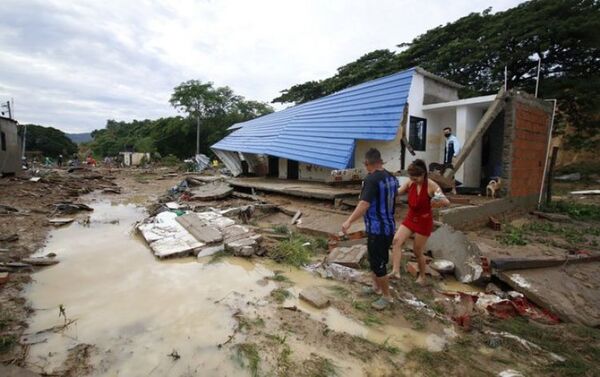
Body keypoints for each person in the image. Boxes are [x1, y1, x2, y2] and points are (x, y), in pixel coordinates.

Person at [342, 148, 399, 310]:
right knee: (377, 259)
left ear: (367, 163)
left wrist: (349, 221)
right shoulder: (391, 177)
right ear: (380, 161)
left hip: (377, 229)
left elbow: (364, 204)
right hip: (389, 226)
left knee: (377, 263)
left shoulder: (371, 179)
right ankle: (376, 287)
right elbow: (395, 198)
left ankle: (387, 296)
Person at [389, 159, 450, 285]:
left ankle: (422, 276)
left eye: (416, 177)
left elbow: (446, 202)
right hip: (411, 217)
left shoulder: (432, 185)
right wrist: (386, 191)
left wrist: (438, 200)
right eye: (411, 176)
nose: (413, 179)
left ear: (423, 174)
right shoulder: (410, 182)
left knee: (417, 251)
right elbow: (398, 192)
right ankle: (395, 272)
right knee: (396, 241)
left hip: (424, 220)